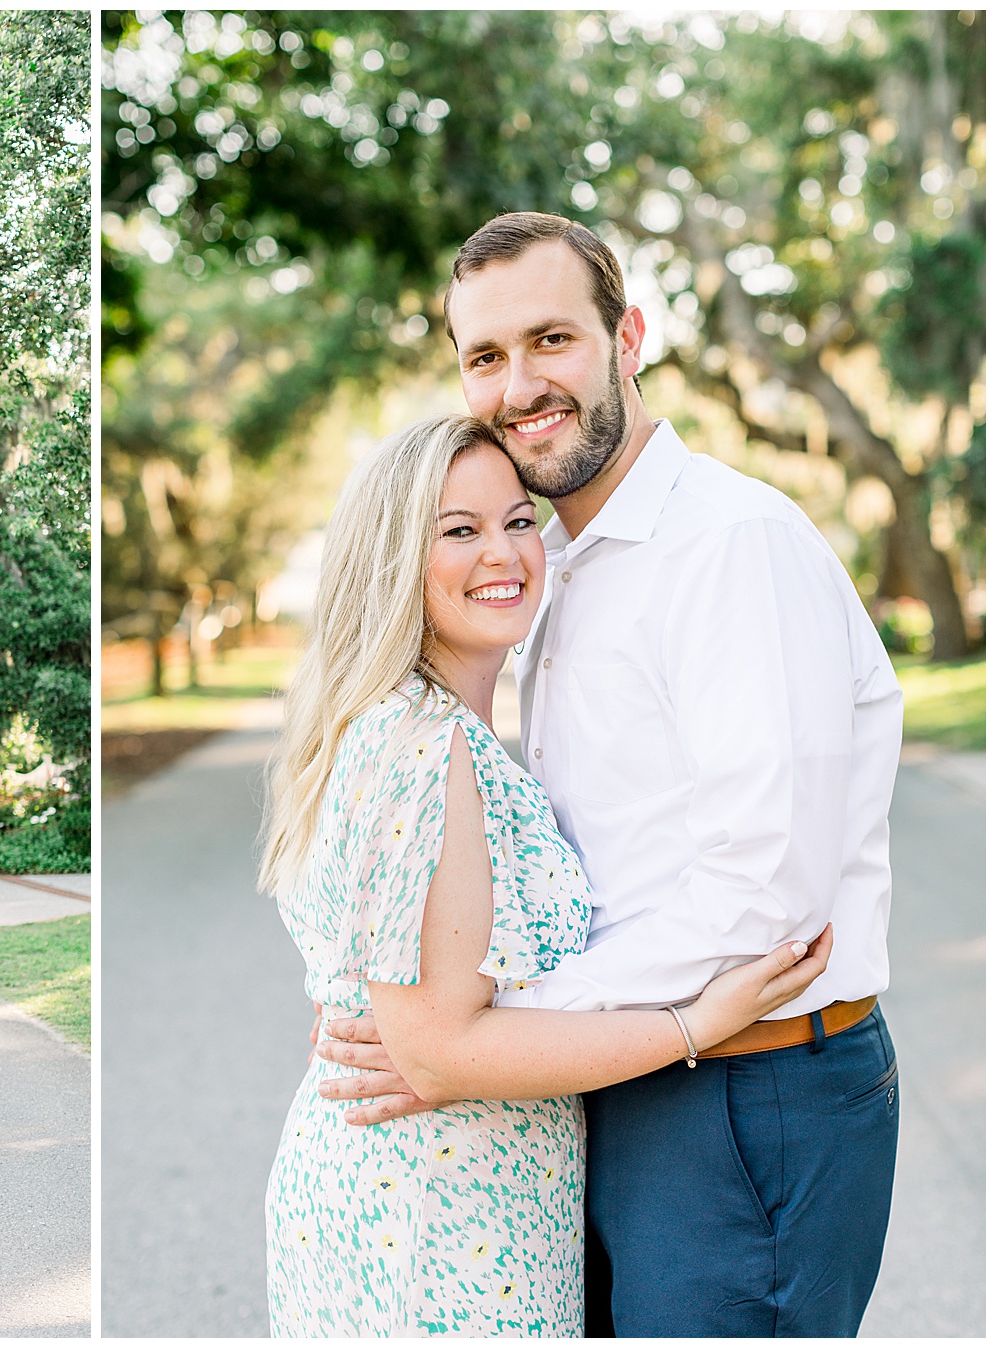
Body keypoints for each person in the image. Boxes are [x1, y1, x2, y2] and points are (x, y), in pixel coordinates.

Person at [311, 214, 903, 1336]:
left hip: (748, 1090)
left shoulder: (729, 546)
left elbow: (762, 903)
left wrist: (472, 1038)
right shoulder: (550, 563)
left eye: (553, 340)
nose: (520, 383)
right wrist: (467, 1036)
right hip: (617, 1076)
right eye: (485, 356)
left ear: (627, 337)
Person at [259, 414, 833, 1336]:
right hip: (440, 1215)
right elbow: (437, 1048)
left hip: (451, 1190)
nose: (505, 552)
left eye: (519, 520)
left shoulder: (435, 732)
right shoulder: (425, 745)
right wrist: (695, 1022)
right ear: (393, 559)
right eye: (459, 530)